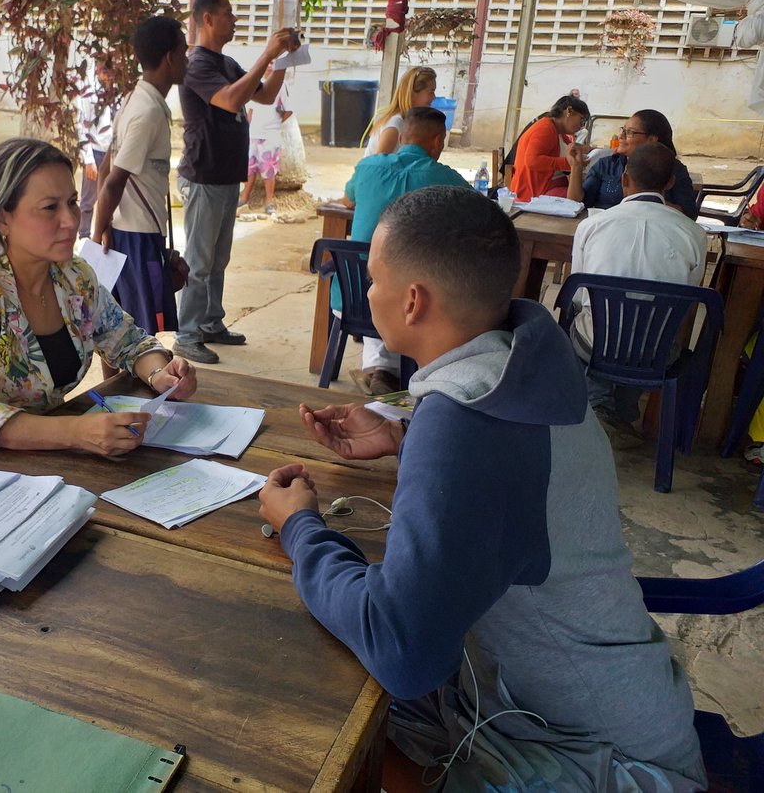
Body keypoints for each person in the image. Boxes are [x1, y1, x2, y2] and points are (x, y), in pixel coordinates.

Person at [258, 185, 705, 793]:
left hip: (601, 760)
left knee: (293, 705)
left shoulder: (466, 421)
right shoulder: (528, 363)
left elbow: (404, 652)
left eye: (375, 278)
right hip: (591, 705)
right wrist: (407, 437)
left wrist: (301, 528)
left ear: (413, 301)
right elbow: (506, 471)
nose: (367, 292)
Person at [0, 137, 197, 459]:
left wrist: (161, 375)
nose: (71, 220)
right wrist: (75, 432)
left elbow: (129, 342)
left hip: (40, 463)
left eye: (72, 202)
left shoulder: (72, 277)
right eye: (50, 208)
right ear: (2, 218)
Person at [173, 0, 299, 364]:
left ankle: (211, 322)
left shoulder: (225, 62)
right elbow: (230, 100)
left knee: (218, 259)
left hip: (225, 176)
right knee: (199, 261)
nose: (235, 20)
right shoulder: (196, 64)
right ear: (207, 19)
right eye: (228, 14)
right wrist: (267, 55)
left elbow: (262, 95)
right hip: (204, 175)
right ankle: (187, 334)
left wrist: (285, 61)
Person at [570, 143, 707, 431]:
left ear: (624, 180)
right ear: (670, 183)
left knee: (586, 324)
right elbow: (685, 304)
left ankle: (600, 409)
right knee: (653, 329)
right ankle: (621, 412)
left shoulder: (592, 226)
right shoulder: (693, 234)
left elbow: (580, 296)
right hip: (656, 355)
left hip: (596, 345)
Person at [339, 107, 471, 396]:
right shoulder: (444, 178)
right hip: (405, 304)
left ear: (400, 137)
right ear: (438, 141)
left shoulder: (368, 167)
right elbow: (478, 212)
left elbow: (348, 201)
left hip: (351, 296)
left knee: (388, 274)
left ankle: (381, 370)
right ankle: (418, 373)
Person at [92, 16, 189, 336]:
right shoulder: (146, 111)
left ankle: (120, 387)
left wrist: (106, 228)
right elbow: (113, 180)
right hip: (137, 239)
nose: (187, 59)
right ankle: (127, 389)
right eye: (184, 52)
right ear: (170, 58)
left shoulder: (138, 101)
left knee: (118, 330)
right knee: (137, 335)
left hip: (134, 234)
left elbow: (106, 163)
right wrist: (97, 238)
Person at [567, 109, 700, 219]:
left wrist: (649, 200)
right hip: (607, 230)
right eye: (623, 130)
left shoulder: (672, 169)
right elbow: (576, 204)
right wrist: (576, 167)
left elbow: (688, 215)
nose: (621, 136)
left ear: (651, 140)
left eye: (629, 132)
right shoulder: (608, 164)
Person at [509, 94, 589, 200]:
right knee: (584, 198)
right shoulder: (545, 129)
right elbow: (532, 160)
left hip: (549, 186)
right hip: (536, 192)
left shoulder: (559, 132)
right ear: (569, 111)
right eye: (582, 120)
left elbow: (570, 149)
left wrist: (588, 150)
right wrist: (570, 163)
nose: (581, 126)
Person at [240, 67, 292, 214]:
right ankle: (245, 197)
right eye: (268, 63)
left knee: (268, 169)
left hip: (270, 135)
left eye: (273, 63)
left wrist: (274, 124)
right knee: (250, 167)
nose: (269, 66)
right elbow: (250, 111)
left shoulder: (281, 86)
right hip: (253, 134)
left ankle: (270, 201)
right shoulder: (256, 84)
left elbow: (288, 110)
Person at [75, 61, 116, 239]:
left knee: (111, 196)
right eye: (104, 70)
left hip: (114, 152)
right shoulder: (89, 94)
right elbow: (81, 127)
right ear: (98, 69)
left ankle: (107, 235)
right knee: (88, 200)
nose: (107, 75)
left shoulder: (117, 93)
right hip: (96, 151)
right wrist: (89, 159)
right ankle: (84, 236)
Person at [362, 66, 437, 157]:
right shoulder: (395, 124)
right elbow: (378, 166)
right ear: (412, 93)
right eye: (431, 91)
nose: (434, 97)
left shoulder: (407, 122)